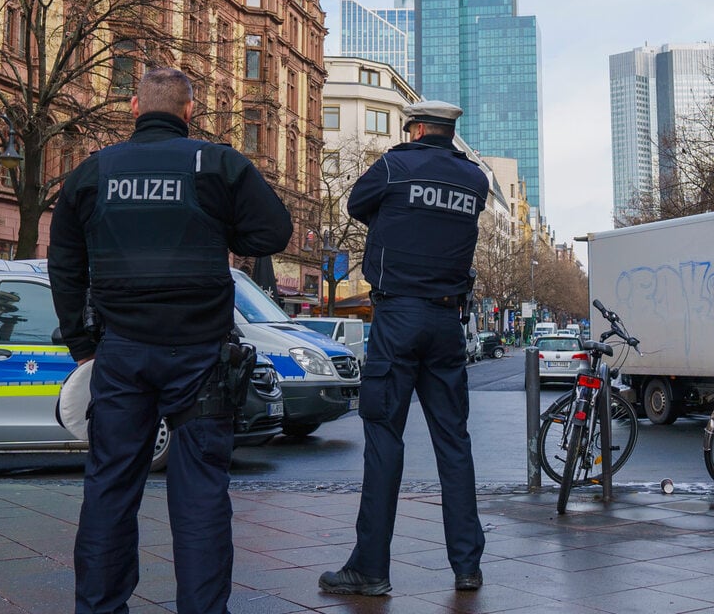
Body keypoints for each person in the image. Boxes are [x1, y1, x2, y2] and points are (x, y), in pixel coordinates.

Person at [49, 67, 293, 614]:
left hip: (120, 354)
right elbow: (274, 232)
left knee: (110, 487)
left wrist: (82, 344)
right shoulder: (218, 164)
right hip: (201, 356)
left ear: (135, 108)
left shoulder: (93, 172)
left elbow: (64, 264)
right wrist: (222, 231)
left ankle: (99, 608)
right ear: (189, 112)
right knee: (201, 492)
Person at [318, 101, 490, 597]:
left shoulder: (394, 165)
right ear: (450, 132)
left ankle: (370, 568)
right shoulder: (473, 180)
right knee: (453, 443)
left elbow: (356, 205)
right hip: (446, 320)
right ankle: (466, 566)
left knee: (384, 438)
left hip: (396, 318)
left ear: (415, 129)